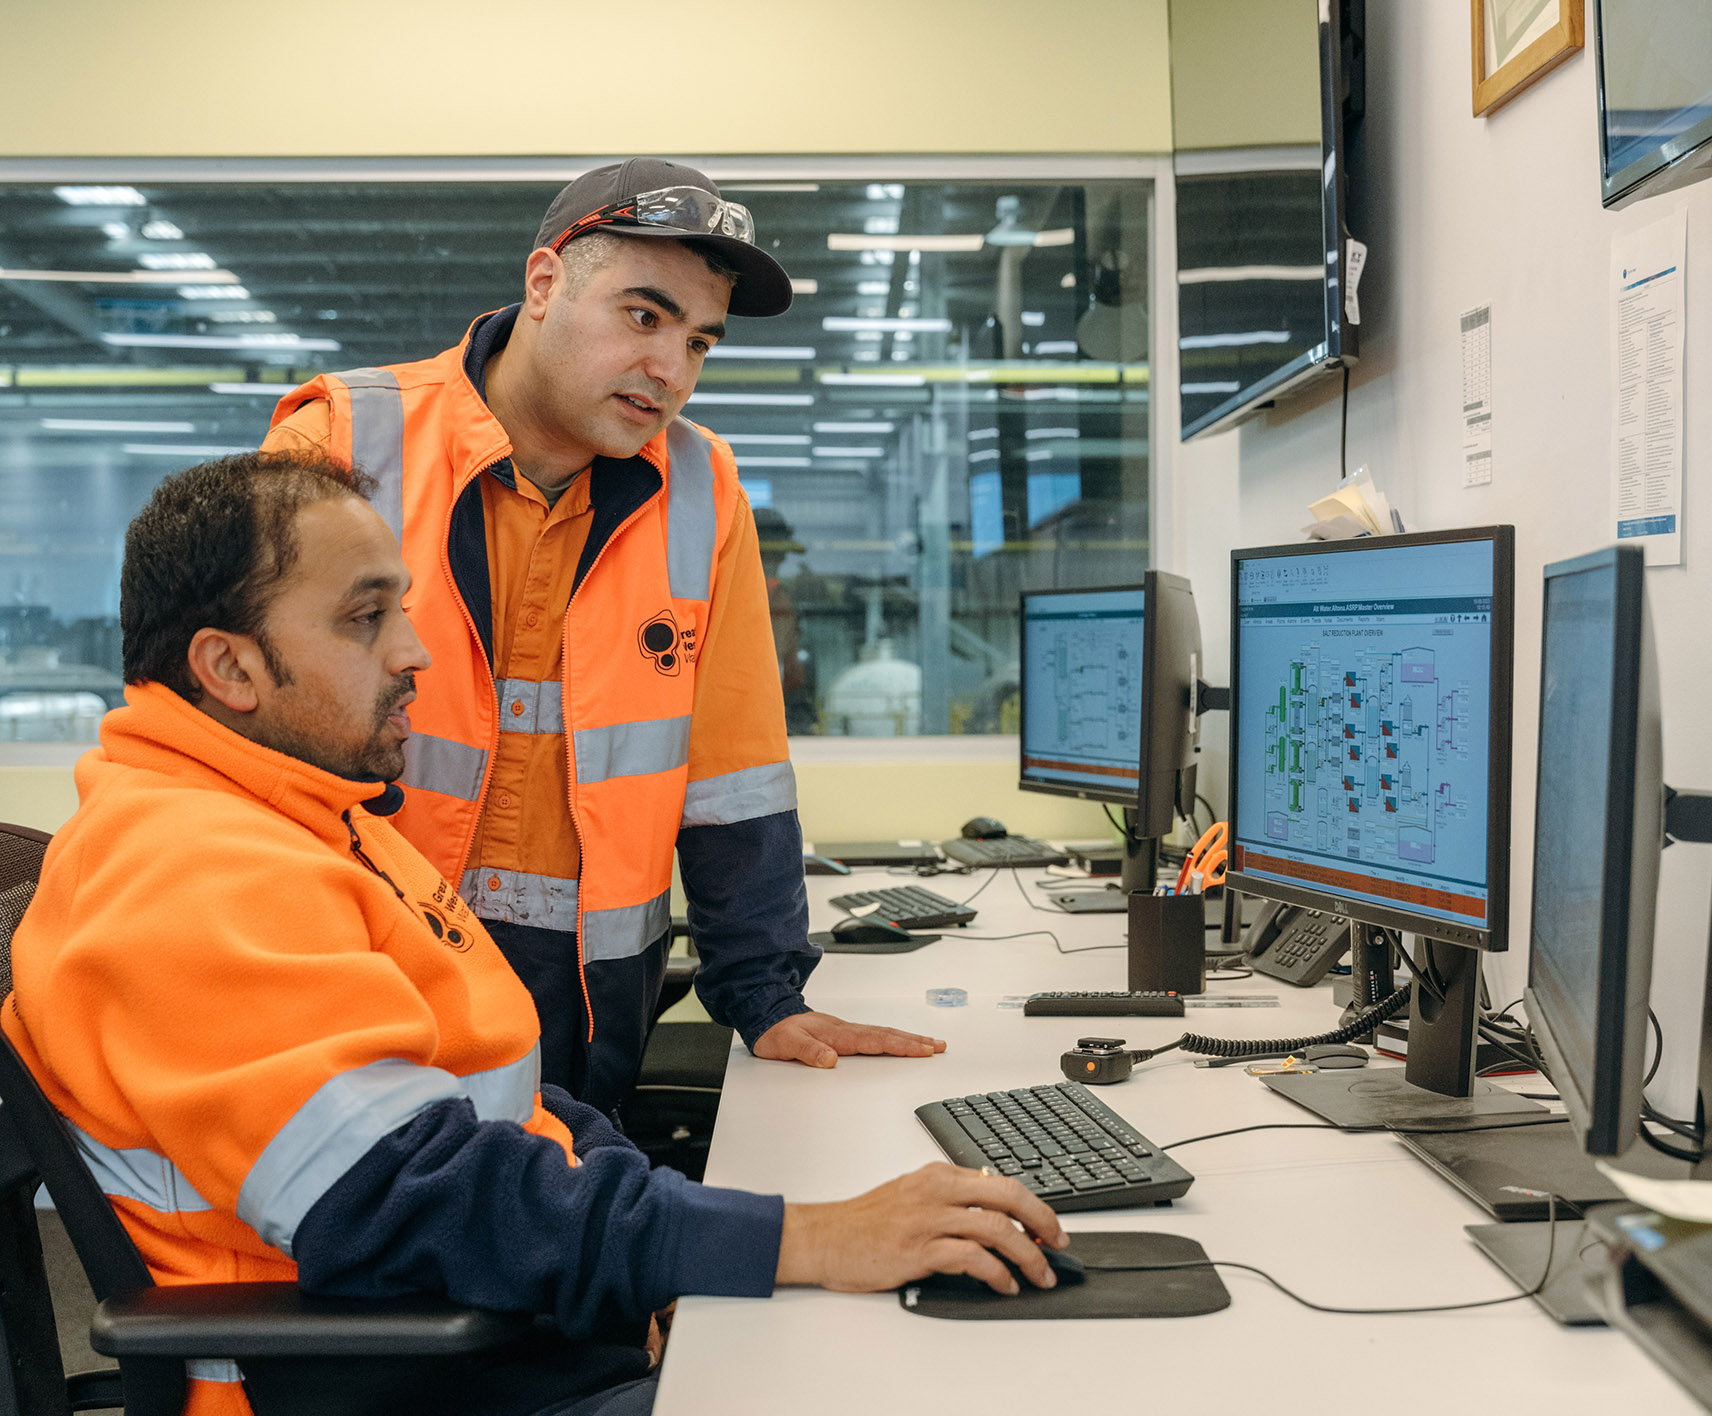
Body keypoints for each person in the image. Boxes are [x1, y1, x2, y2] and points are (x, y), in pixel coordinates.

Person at [2, 454, 1067, 1416]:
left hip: (500, 1343)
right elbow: (411, 1202)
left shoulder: (304, 820)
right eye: (364, 619)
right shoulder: (189, 872)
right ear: (228, 669)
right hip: (399, 1386)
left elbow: (495, 1101)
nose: (415, 654)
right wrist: (795, 1239)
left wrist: (666, 1251)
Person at [260, 159, 938, 1112]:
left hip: (590, 996)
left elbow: (729, 762)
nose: (671, 369)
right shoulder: (344, 446)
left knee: (575, 1233)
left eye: (700, 341)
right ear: (545, 284)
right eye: (643, 315)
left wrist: (764, 994)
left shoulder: (702, 488)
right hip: (365, 979)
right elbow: (237, 752)